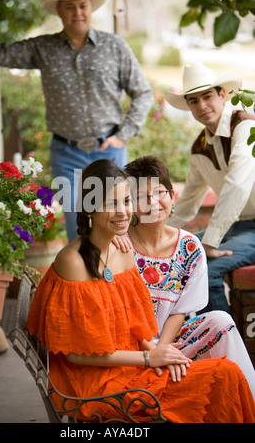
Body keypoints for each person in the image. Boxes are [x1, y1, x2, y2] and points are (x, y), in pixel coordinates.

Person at [27, 158, 255, 423]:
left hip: (133, 366)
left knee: (226, 372)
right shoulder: (73, 261)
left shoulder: (122, 253)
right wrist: (149, 357)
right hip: (95, 384)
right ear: (88, 208)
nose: (123, 212)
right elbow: (75, 353)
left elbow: (135, 324)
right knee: (222, 377)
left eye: (126, 201)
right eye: (112, 203)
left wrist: (162, 354)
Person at [0, 0, 153, 242]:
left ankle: (113, 280)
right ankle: (83, 281)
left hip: (110, 150)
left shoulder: (115, 47)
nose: (77, 12)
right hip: (67, 154)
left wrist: (123, 134)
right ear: (59, 11)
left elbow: (143, 93)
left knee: (117, 220)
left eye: (82, 5)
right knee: (77, 227)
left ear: (90, 7)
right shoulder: (44, 48)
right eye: (70, 6)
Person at [123, 155, 255, 397]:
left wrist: (163, 351)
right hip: (130, 350)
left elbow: (179, 312)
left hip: (170, 341)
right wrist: (152, 355)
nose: (153, 202)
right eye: (141, 196)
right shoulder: (120, 245)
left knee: (220, 320)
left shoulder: (190, 247)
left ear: (172, 196)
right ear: (129, 204)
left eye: (159, 192)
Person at [164, 61, 255, 313]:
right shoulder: (200, 147)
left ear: (222, 95)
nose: (202, 106)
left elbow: (237, 185)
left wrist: (212, 241)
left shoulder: (245, 126)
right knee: (180, 253)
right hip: (239, 226)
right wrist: (157, 236)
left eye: (207, 96)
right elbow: (187, 204)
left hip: (252, 230)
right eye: (193, 101)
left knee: (205, 270)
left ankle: (224, 345)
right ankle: (186, 335)